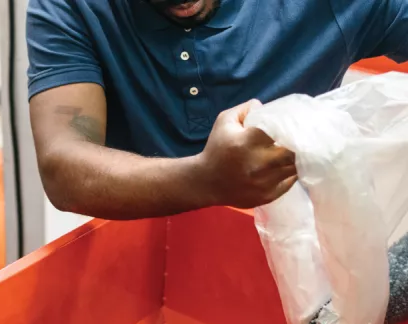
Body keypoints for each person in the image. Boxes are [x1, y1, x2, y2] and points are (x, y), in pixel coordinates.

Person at [26, 0, 408, 219]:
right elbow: (63, 168)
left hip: (308, 257)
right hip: (139, 272)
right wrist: (204, 180)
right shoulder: (71, 8)